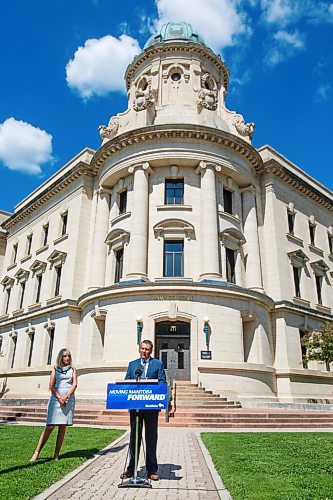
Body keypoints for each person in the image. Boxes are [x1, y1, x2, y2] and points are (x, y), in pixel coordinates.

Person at [120, 339, 166, 481]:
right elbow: (127, 382)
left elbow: (162, 382)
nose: (144, 351)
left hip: (151, 408)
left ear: (151, 351)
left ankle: (152, 470)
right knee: (134, 438)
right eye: (142, 349)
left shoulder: (157, 364)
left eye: (147, 349)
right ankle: (131, 469)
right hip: (136, 408)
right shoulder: (132, 365)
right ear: (139, 349)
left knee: (151, 438)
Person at [30, 348, 77, 462]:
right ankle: (37, 452)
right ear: (60, 357)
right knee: (50, 426)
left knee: (62, 427)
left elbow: (74, 384)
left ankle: (56, 454)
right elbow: (51, 386)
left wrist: (66, 397)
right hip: (56, 399)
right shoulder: (55, 369)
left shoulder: (73, 369)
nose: (67, 358)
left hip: (68, 399)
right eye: (64, 356)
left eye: (68, 356)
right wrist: (60, 397)